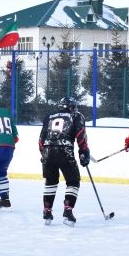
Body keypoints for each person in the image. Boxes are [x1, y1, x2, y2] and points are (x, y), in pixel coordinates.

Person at [38, 96, 90, 226]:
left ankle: (47, 211)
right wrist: (84, 152)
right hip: (65, 151)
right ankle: (68, 211)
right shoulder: (76, 115)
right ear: (72, 106)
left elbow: (41, 138)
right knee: (73, 181)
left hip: (48, 151)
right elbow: (81, 136)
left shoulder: (49, 116)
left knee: (50, 181)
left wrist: (43, 154)